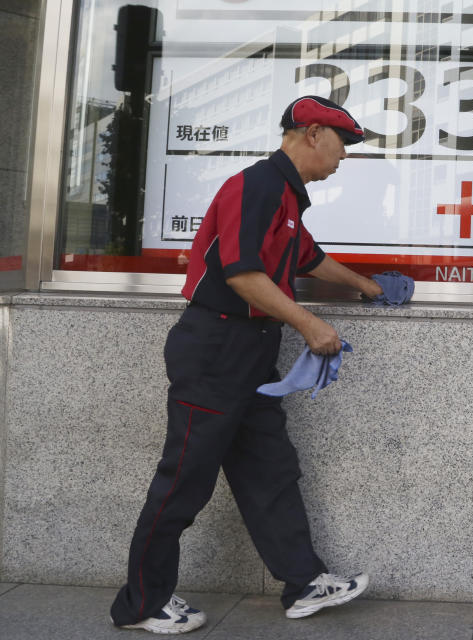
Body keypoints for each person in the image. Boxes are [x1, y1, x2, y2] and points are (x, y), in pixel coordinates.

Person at [110, 96, 385, 634]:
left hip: (250, 350)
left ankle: (304, 582)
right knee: (184, 479)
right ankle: (140, 604)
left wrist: (368, 288)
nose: (345, 155)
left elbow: (307, 257)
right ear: (310, 134)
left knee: (270, 470)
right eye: (343, 142)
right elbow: (241, 273)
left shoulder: (285, 196)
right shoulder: (257, 185)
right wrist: (311, 324)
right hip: (216, 347)